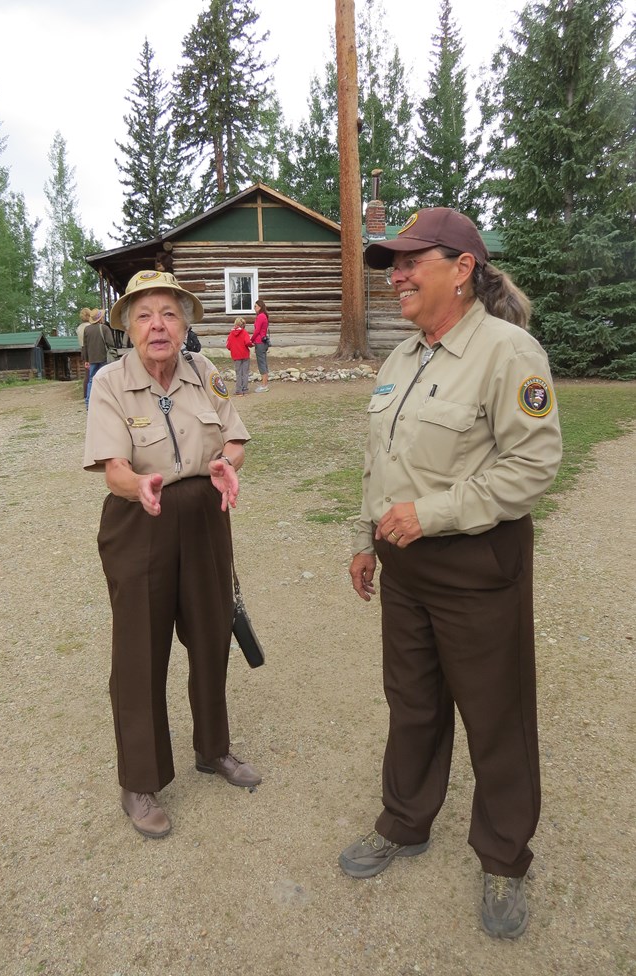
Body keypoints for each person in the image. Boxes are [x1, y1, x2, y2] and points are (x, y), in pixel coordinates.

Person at [339, 208, 562, 941]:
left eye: (410, 262)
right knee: (413, 702)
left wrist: (430, 515)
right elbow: (381, 460)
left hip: (475, 564)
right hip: (403, 566)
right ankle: (406, 822)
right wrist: (365, 534)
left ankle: (503, 857)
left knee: (495, 714)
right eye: (392, 266)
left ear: (462, 269)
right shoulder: (403, 358)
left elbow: (532, 466)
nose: (396, 276)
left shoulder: (509, 352)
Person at [83, 269, 261, 840]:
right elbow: (113, 468)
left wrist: (226, 465)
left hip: (204, 515)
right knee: (140, 648)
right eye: (144, 314)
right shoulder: (110, 382)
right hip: (141, 517)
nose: (157, 325)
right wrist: (140, 485)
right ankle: (140, 779)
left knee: (211, 635)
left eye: (168, 313)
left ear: (185, 323)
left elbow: (233, 436)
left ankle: (213, 749)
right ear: (129, 326)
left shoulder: (206, 373)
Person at [82, 308, 115, 409]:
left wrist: (86, 360)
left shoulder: (87, 329)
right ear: (100, 318)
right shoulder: (104, 328)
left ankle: (88, 403)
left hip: (92, 359)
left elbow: (85, 346)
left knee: (92, 380)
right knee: (106, 379)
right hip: (104, 357)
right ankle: (106, 401)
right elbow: (110, 343)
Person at [226, 316, 253, 395]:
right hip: (245, 354)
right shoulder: (244, 332)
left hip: (236, 356)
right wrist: (251, 345)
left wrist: (233, 349)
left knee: (238, 373)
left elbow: (228, 345)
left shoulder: (231, 334)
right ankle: (245, 389)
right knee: (245, 372)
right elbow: (247, 342)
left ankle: (238, 390)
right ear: (243, 325)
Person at [251, 298, 270, 392]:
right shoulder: (264, 316)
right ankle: (265, 383)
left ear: (260, 307)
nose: (254, 308)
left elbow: (257, 330)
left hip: (259, 342)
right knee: (264, 362)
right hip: (263, 342)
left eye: (255, 306)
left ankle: (264, 385)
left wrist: (251, 340)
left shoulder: (260, 317)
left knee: (261, 363)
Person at [76, 307, 92, 402]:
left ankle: (85, 394)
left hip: (82, 349)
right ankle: (88, 395)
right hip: (90, 350)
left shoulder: (79, 328)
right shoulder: (89, 326)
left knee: (87, 374)